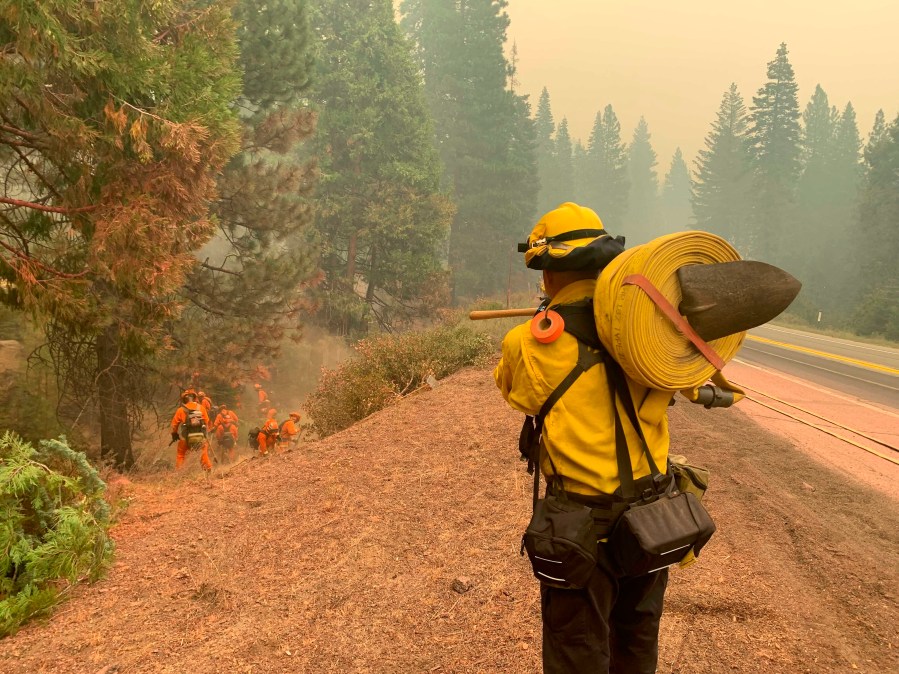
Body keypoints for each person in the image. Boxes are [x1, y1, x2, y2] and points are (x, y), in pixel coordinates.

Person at [494, 202, 676, 674]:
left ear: (549, 273)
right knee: (637, 643)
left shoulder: (528, 342)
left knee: (577, 655)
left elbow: (514, 393)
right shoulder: (648, 331)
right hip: (654, 519)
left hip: (579, 529)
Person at [170, 389, 212, 472]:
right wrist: (204, 433)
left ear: (184, 399)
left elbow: (174, 425)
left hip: (186, 438)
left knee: (181, 454)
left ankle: (180, 472)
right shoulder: (201, 408)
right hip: (200, 437)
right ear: (195, 398)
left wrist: (174, 434)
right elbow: (206, 422)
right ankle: (208, 471)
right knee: (203, 453)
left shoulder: (181, 410)